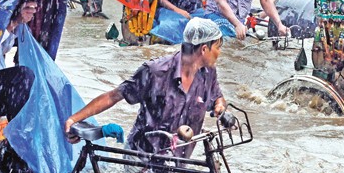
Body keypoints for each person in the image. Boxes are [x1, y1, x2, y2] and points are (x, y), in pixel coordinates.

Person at [64, 18, 227, 159]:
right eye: (218, 47)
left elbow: (217, 96)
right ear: (204, 49)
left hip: (177, 159)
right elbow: (114, 96)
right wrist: (74, 120)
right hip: (141, 157)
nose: (219, 53)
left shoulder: (208, 73)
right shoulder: (155, 72)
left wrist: (220, 105)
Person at [0, 0, 38, 121]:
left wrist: (15, 24)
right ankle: (17, 132)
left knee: (37, 83)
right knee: (23, 75)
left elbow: (2, 49)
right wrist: (13, 24)